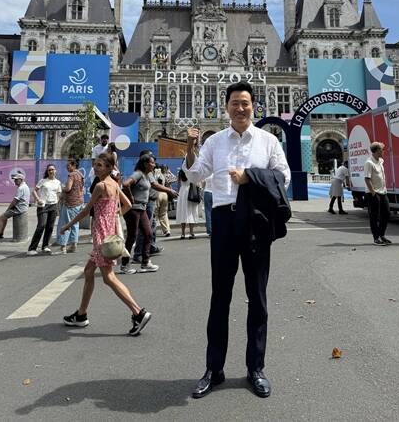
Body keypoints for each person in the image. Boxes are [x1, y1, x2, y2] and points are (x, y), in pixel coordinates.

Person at [184, 81, 290, 399]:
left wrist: (250, 177)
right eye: (234, 102)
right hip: (225, 219)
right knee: (220, 297)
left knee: (257, 298)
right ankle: (214, 369)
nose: (240, 108)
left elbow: (282, 176)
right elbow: (196, 174)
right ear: (226, 107)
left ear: (253, 106)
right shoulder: (215, 141)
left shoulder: (268, 140)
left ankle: (255, 369)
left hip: (256, 220)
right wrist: (189, 148)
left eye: (245, 102)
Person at [61, 152, 152, 336]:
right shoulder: (114, 184)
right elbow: (127, 204)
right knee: (88, 272)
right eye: (95, 164)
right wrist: (113, 216)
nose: (95, 167)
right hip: (109, 232)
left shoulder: (101, 186)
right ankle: (81, 314)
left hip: (101, 236)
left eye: (100, 165)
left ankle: (138, 312)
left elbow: (86, 210)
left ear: (110, 168)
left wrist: (68, 225)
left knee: (108, 277)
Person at [120, 155, 159, 274]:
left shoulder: (147, 176)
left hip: (142, 209)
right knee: (132, 236)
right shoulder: (138, 174)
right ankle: (125, 265)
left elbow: (155, 186)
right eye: (152, 163)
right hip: (133, 209)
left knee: (148, 234)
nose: (154, 165)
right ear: (145, 164)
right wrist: (131, 198)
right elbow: (126, 184)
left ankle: (145, 263)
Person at [26, 164, 62, 255]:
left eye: (53, 169)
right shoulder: (43, 181)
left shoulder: (58, 182)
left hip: (53, 206)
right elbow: (34, 191)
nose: (51, 171)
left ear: (55, 171)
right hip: (43, 206)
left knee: (50, 227)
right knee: (41, 225)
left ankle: (45, 246)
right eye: (49, 170)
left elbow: (58, 195)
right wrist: (38, 199)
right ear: (47, 171)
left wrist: (57, 207)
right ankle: (32, 248)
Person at [0, 173, 30, 243]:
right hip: (23, 207)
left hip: (18, 209)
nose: (15, 181)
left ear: (21, 180)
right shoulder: (26, 186)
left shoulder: (21, 188)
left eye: (16, 180)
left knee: (0, 218)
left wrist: (8, 209)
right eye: (14, 180)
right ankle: (1, 233)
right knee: (4, 218)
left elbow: (15, 201)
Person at [364, 142, 391, 245]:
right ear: (376, 151)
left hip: (383, 192)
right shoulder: (369, 163)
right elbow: (367, 179)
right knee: (374, 216)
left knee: (387, 213)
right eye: (381, 150)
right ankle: (376, 238)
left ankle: (382, 235)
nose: (383, 151)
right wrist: (373, 193)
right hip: (373, 193)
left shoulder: (380, 161)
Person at [57, 159, 84, 254]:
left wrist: (62, 188)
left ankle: (63, 247)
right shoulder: (80, 174)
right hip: (79, 202)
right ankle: (73, 245)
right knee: (75, 224)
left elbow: (68, 188)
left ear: (73, 165)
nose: (67, 167)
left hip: (70, 203)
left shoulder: (72, 175)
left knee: (65, 223)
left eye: (68, 165)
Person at [177, 169, 200, 239]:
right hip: (191, 192)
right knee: (191, 212)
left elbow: (178, 184)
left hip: (182, 191)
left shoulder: (180, 172)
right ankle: (191, 233)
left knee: (183, 212)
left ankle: (183, 233)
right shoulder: (192, 172)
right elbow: (197, 184)